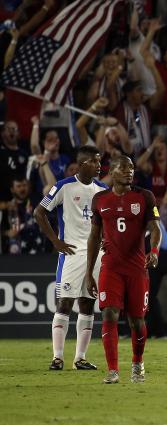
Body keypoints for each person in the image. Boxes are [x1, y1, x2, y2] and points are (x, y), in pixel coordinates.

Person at [86, 156, 162, 384]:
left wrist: (155, 250)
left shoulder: (144, 196)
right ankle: (112, 370)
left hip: (137, 268)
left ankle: (137, 362)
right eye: (124, 168)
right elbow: (93, 237)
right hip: (111, 267)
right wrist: (89, 272)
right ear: (112, 171)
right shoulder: (99, 200)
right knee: (109, 313)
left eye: (132, 168)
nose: (130, 172)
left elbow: (155, 228)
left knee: (136, 320)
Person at [33, 146, 107, 371]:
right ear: (83, 163)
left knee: (88, 304)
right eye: (95, 161)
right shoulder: (63, 186)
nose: (99, 165)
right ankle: (57, 357)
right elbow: (39, 212)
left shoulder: (102, 189)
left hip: (95, 254)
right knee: (64, 303)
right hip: (72, 254)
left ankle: (79, 359)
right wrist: (56, 241)